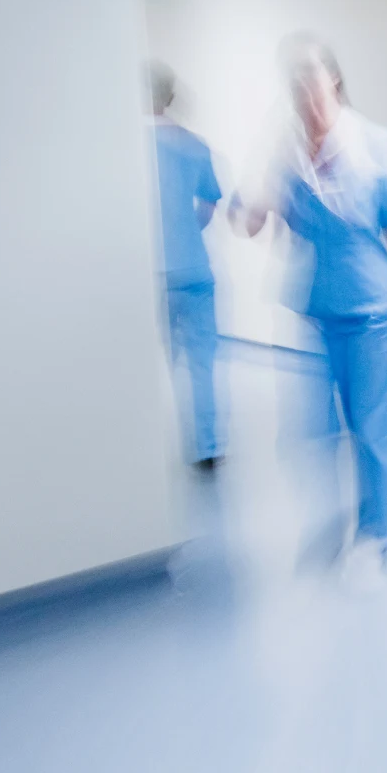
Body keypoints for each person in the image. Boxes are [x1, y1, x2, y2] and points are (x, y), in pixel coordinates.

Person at [232, 36, 387, 583]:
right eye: (294, 81)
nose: (304, 90)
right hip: (315, 312)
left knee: (373, 433)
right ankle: (334, 521)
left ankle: (377, 536)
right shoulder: (286, 156)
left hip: (372, 314)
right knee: (311, 431)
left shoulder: (371, 146)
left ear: (334, 81)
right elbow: (249, 224)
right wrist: (263, 179)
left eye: (312, 78)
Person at [149, 63, 225, 472]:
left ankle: (152, 451)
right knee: (201, 366)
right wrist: (184, 230)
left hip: (149, 276)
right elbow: (209, 204)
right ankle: (207, 448)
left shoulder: (124, 148)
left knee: (154, 364)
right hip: (194, 270)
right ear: (171, 96)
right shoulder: (194, 145)